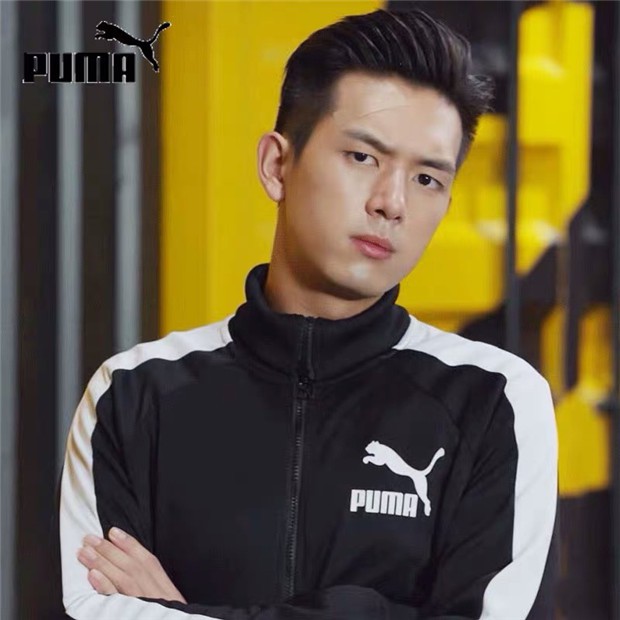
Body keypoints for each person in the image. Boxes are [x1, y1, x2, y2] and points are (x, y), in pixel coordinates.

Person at [58, 7, 558, 619]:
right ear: (277, 166)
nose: (392, 203)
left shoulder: (495, 401)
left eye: (427, 179)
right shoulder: (133, 395)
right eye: (363, 157)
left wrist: (178, 611)